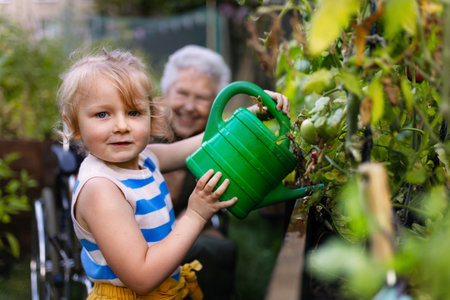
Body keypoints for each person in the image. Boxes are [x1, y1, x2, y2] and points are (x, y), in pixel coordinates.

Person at [57, 48, 290, 299]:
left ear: (151, 115)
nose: (122, 126)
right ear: (74, 125)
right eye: (102, 114)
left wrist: (254, 114)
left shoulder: (146, 159)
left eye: (133, 112)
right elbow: (142, 277)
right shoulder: (101, 189)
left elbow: (209, 142)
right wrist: (195, 214)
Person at [158, 45, 290, 300]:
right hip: (145, 234)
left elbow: (213, 145)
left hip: (195, 223)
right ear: (165, 94)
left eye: (201, 97)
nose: (189, 106)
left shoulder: (222, 142)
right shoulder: (143, 135)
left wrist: (254, 116)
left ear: (216, 100)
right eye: (182, 93)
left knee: (211, 250)